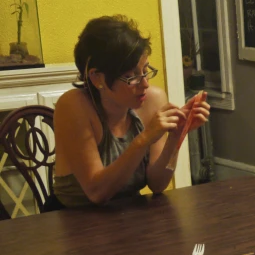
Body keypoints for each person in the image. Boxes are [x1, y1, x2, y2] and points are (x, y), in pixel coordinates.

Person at [51, 15, 210, 208]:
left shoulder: (153, 99)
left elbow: (158, 184)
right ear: (96, 78)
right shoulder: (74, 105)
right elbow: (96, 192)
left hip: (128, 215)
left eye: (145, 70)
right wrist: (144, 138)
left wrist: (177, 135)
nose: (145, 84)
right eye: (130, 76)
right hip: (73, 219)